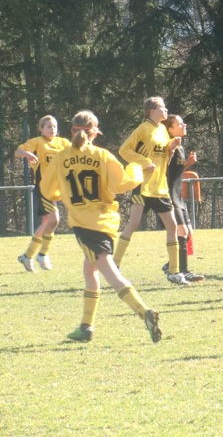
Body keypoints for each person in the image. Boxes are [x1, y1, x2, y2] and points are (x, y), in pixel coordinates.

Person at [40, 110, 161, 343]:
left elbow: (48, 190)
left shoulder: (61, 156)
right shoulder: (103, 155)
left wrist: (60, 193)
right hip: (105, 221)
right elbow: (123, 184)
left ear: (72, 131)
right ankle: (86, 327)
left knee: (110, 272)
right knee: (90, 270)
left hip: (85, 225)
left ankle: (143, 311)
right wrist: (138, 167)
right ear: (95, 132)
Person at [113, 97, 187, 285]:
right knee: (134, 223)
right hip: (143, 186)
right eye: (162, 107)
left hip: (160, 187)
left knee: (172, 227)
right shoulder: (142, 129)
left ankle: (174, 272)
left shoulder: (162, 130)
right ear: (152, 111)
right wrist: (145, 162)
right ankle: (114, 265)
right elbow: (124, 150)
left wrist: (171, 148)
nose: (166, 110)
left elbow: (163, 159)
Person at [15, 115, 72, 272]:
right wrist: (27, 154)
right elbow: (17, 152)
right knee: (54, 220)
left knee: (47, 223)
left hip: (57, 189)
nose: (52, 128)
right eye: (48, 126)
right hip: (43, 188)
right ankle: (43, 254)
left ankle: (27, 256)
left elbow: (77, 150)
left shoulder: (63, 143)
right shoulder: (37, 142)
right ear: (41, 128)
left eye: (54, 126)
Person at [160, 114, 204, 282]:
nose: (184, 124)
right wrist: (170, 150)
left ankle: (171, 264)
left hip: (178, 194)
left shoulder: (180, 147)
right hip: (169, 194)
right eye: (180, 123)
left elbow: (175, 173)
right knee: (182, 231)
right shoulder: (168, 146)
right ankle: (183, 271)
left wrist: (187, 164)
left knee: (189, 233)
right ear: (170, 129)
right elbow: (163, 170)